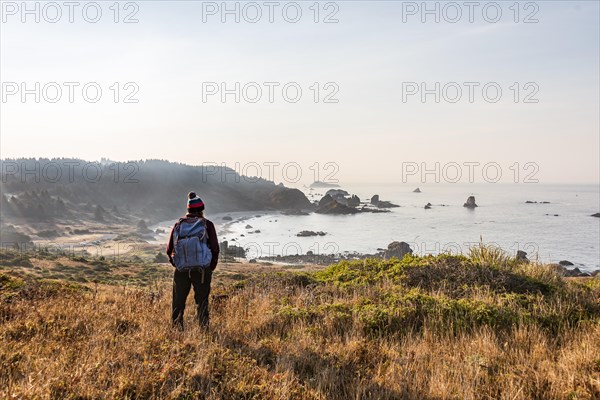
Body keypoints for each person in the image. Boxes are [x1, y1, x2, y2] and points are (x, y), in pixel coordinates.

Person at [166, 192, 219, 330]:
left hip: (182, 269)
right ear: (202, 209)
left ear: (188, 209)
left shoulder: (178, 225)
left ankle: (177, 330)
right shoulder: (207, 224)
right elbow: (215, 249)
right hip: (202, 269)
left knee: (178, 301)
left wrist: (177, 264)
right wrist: (210, 267)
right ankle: (204, 330)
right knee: (202, 301)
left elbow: (169, 249)